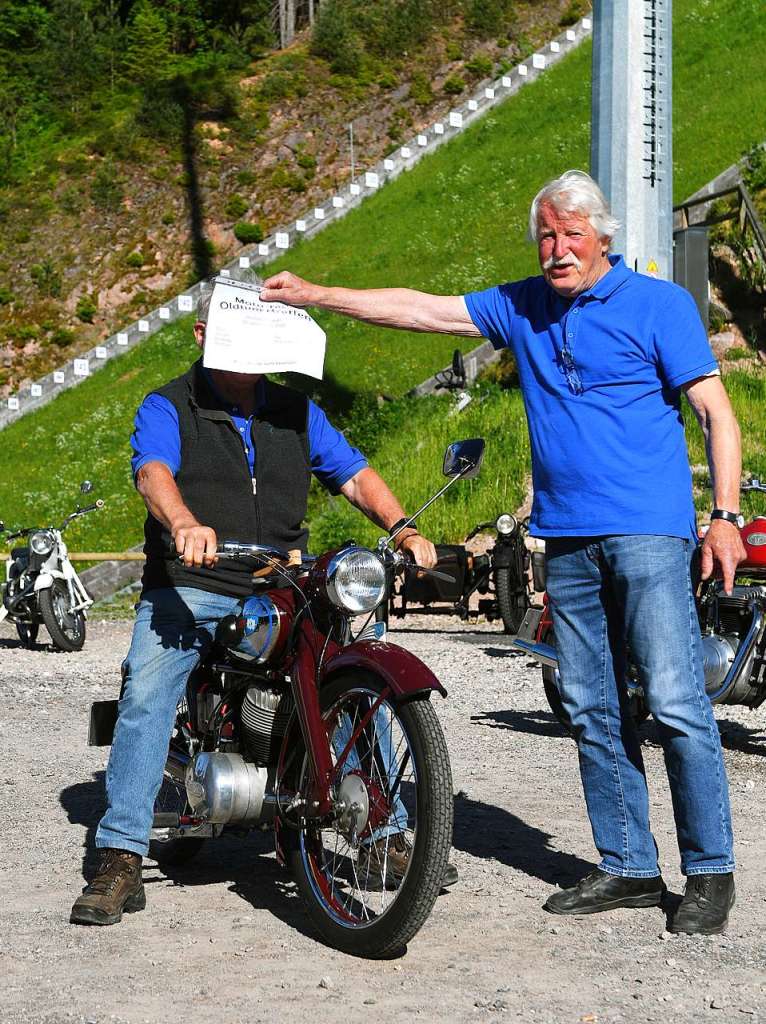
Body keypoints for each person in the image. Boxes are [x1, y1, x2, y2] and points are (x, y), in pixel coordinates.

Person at [258, 169, 745, 935]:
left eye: (571, 235)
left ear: (604, 238)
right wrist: (317, 294)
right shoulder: (521, 305)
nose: (557, 249)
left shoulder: (660, 306)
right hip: (569, 538)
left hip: (651, 532)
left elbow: (716, 412)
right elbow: (421, 311)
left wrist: (723, 514)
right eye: (546, 235)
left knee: (677, 700)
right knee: (589, 705)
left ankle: (710, 873)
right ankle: (629, 867)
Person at [70, 285, 457, 927]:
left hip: (283, 578)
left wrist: (403, 529)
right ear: (202, 336)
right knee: (146, 692)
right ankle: (121, 854)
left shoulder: (295, 411)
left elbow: (353, 474)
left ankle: (380, 832)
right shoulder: (169, 405)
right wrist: (185, 523)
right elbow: (153, 473)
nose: (248, 362)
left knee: (354, 666)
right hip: (193, 581)